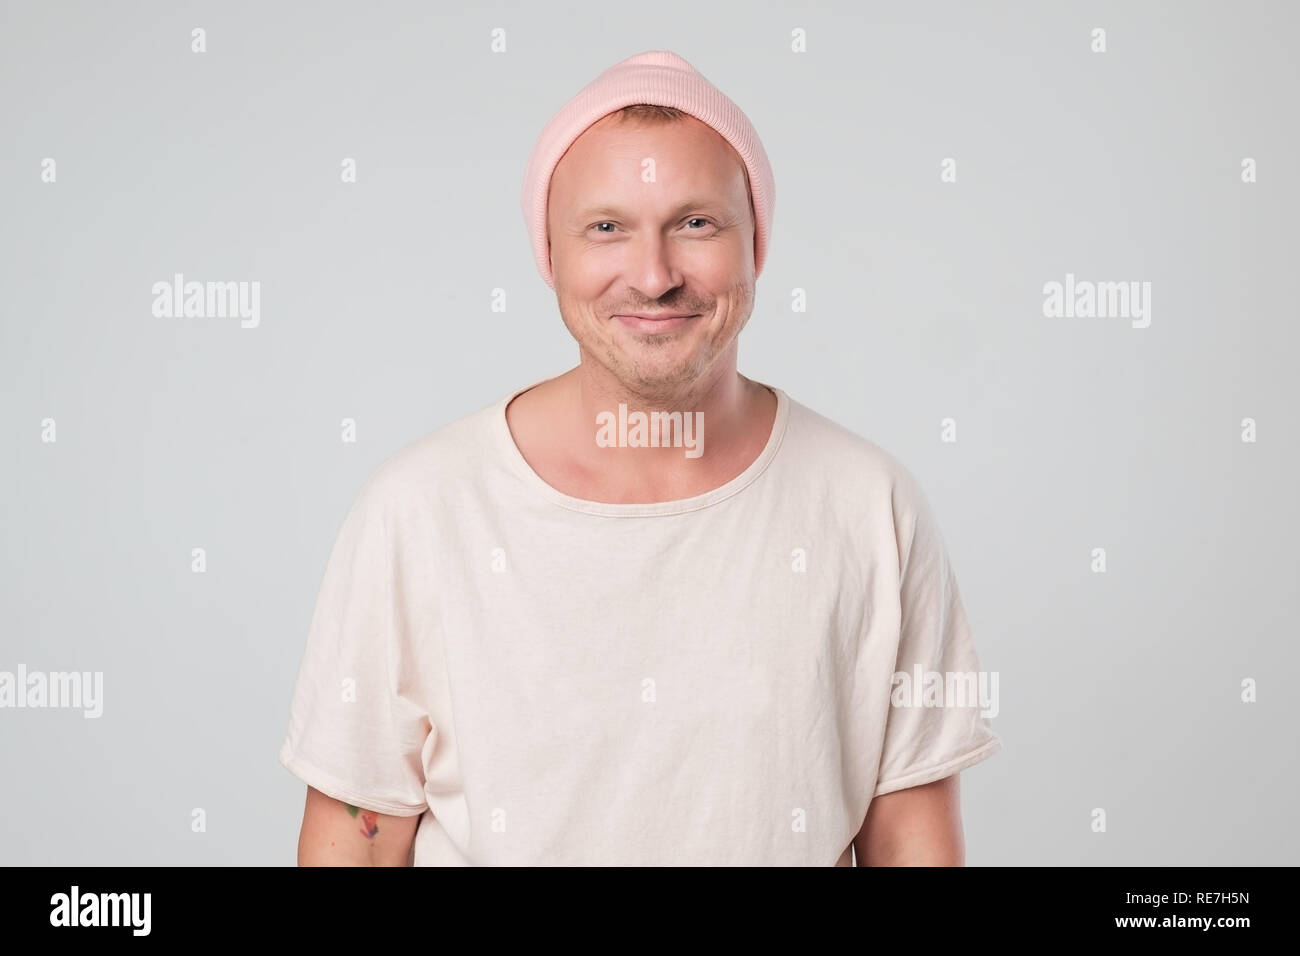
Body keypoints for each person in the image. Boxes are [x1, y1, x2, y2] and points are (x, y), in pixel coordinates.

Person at [279, 50, 1002, 866]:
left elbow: (912, 838)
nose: (654, 277)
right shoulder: (420, 509)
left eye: (696, 223)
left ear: (756, 244)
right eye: (606, 228)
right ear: (549, 255)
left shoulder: (871, 507)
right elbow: (355, 840)